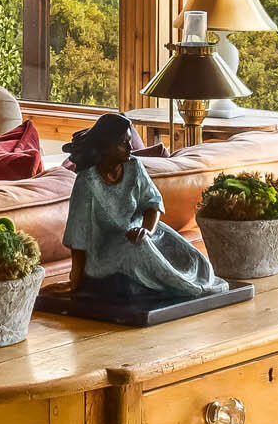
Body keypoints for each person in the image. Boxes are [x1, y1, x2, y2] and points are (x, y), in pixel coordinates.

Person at [62, 113, 227, 306]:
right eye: (123, 143)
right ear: (106, 146)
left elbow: (152, 203)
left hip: (143, 231)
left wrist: (147, 230)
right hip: (107, 252)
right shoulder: (87, 183)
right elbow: (78, 236)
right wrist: (76, 281)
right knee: (139, 246)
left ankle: (194, 284)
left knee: (195, 261)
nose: (130, 148)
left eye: (129, 141)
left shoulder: (134, 167)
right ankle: (187, 288)